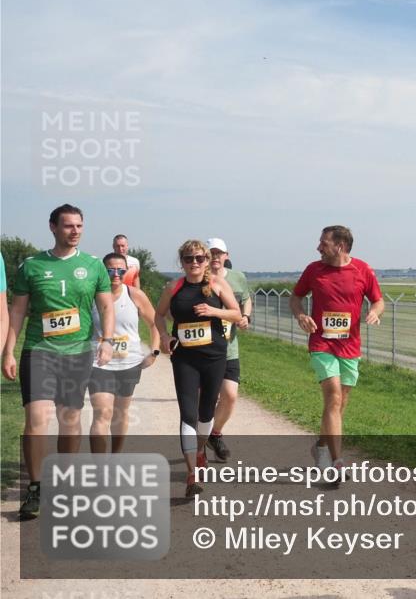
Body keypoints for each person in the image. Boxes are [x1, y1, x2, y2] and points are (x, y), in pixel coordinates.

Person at [2, 204, 115, 520]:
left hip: (78, 352)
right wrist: (9, 351)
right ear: (53, 227)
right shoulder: (31, 266)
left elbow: (106, 308)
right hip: (39, 349)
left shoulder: (93, 265)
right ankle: (36, 488)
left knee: (70, 419)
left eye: (79, 225)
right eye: (68, 226)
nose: (75, 231)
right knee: (36, 417)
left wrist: (106, 341)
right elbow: (17, 311)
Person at [288, 225, 384, 478]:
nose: (318, 247)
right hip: (321, 343)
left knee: (340, 403)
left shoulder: (363, 270)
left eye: (324, 243)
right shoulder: (313, 270)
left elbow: (378, 299)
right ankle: (337, 461)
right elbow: (295, 298)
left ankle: (321, 446)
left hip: (350, 346)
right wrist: (301, 316)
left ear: (340, 246)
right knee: (333, 396)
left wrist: (375, 312)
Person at [154, 239, 242, 497]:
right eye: (188, 258)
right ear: (181, 262)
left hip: (214, 357)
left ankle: (201, 449)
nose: (194, 263)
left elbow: (236, 314)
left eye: (199, 258)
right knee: (188, 414)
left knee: (205, 414)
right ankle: (192, 474)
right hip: (185, 358)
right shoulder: (173, 287)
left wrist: (214, 311)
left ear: (206, 261)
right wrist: (164, 336)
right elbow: (158, 315)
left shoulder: (216, 284)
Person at [87, 252, 160, 454]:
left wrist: (154, 352)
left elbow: (155, 323)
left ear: (127, 271)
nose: (116, 274)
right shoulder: (91, 295)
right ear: (102, 271)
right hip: (98, 363)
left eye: (121, 270)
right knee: (102, 413)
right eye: (110, 270)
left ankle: (116, 455)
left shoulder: (135, 295)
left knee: (120, 413)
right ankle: (99, 466)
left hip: (129, 363)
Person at [204, 237, 252, 462]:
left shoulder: (237, 277)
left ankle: (214, 434)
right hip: (204, 350)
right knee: (205, 399)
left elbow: (246, 299)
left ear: (226, 256)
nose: (215, 257)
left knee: (230, 396)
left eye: (219, 253)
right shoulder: (199, 278)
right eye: (211, 253)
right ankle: (198, 445)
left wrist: (245, 316)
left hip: (229, 348)